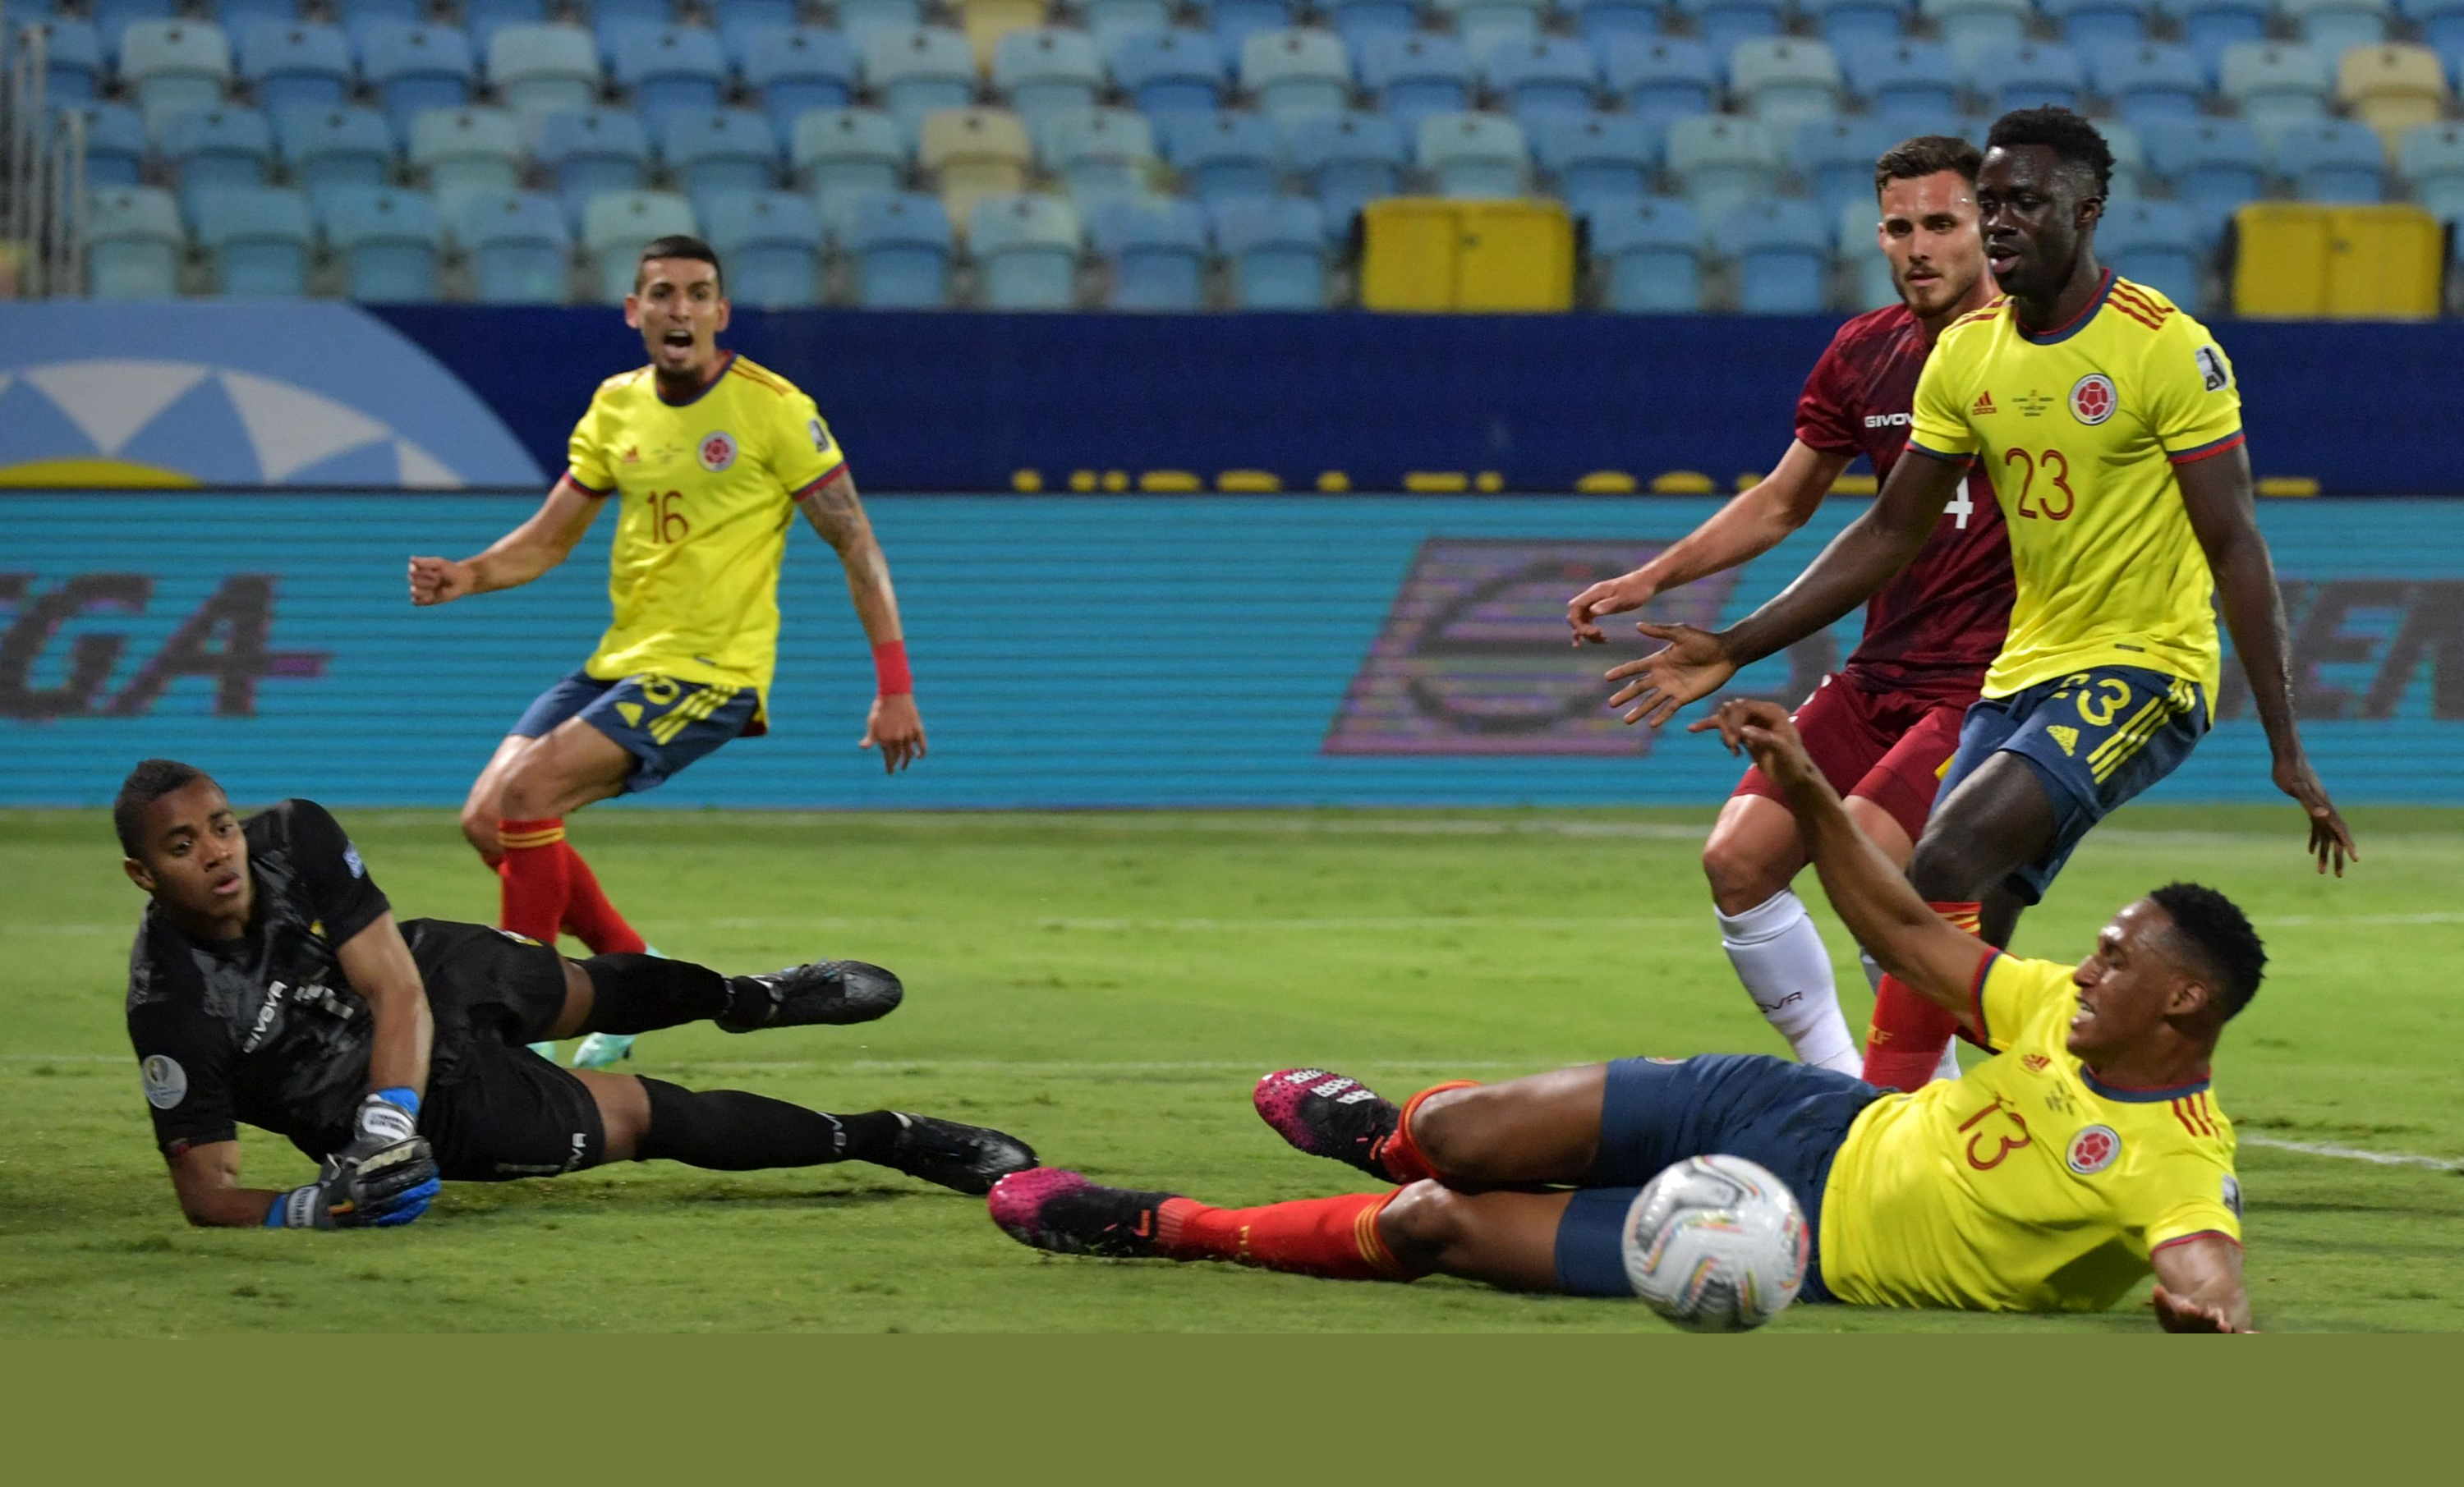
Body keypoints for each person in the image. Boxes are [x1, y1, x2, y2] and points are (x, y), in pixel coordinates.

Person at [988, 699, 2255, 1330]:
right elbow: (1908, 932)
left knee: (1438, 1220)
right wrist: (1810, 788)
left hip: (1800, 1242)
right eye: (2091, 951)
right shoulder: (2047, 1010)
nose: (2081, 971)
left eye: (2112, 959)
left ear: (2183, 1000)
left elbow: (2204, 1253)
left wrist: (2206, 1305)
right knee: (1467, 1130)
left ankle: (1163, 1225)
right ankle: (1385, 1128)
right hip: (1800, 1112)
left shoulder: (2177, 1157)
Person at [1596, 107, 2356, 1092]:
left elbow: (2234, 543)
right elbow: (1884, 531)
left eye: (2018, 204)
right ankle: (2031, 1118)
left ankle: (1870, 1123)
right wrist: (1734, 640)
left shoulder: (2166, 346)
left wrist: (2286, 742)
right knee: (1963, 946)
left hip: (2140, 666)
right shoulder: (1963, 354)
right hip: (2016, 673)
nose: (1999, 224)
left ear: (2086, 211)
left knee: (1932, 864)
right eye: (1988, 203)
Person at [408, 234, 926, 1070]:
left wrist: (893, 687)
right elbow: (548, 539)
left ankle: (518, 1031)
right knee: (487, 817)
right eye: (661, 293)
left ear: (720, 312)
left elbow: (856, 544)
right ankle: (636, 976)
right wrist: (467, 574)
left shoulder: (774, 408)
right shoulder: (615, 404)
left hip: (710, 670)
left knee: (531, 790)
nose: (678, 308)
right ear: (634, 311)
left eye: (696, 293)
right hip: (622, 661)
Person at [115, 759, 1032, 1230]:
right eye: (184, 845)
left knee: (587, 986)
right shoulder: (170, 1006)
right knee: (646, 1118)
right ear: (142, 873)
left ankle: (747, 996)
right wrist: (317, 1203)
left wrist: (382, 1126)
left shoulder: (293, 835)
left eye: (220, 826)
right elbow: (207, 1191)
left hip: (415, 992)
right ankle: (892, 1138)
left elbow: (394, 985)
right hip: (420, 1105)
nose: (219, 852)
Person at [1565, 136, 2011, 1081]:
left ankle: (1927, 1115)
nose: (1919, 246)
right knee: (1737, 862)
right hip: (1879, 670)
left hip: (1990, 686)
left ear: (1989, 227)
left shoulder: (2045, 350)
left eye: (1943, 223)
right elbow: (1782, 500)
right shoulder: (1867, 351)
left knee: (1879, 880)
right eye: (1899, 226)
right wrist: (1657, 576)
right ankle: (1845, 1086)